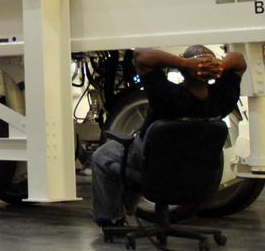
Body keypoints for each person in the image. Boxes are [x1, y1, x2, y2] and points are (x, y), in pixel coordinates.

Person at [90, 45, 247, 230]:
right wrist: (219, 64)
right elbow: (239, 61)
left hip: (155, 170)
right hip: (198, 174)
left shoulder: (166, 96)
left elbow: (141, 55)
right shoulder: (221, 100)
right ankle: (124, 210)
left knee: (104, 156)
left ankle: (112, 220)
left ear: (183, 70)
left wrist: (184, 62)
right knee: (131, 158)